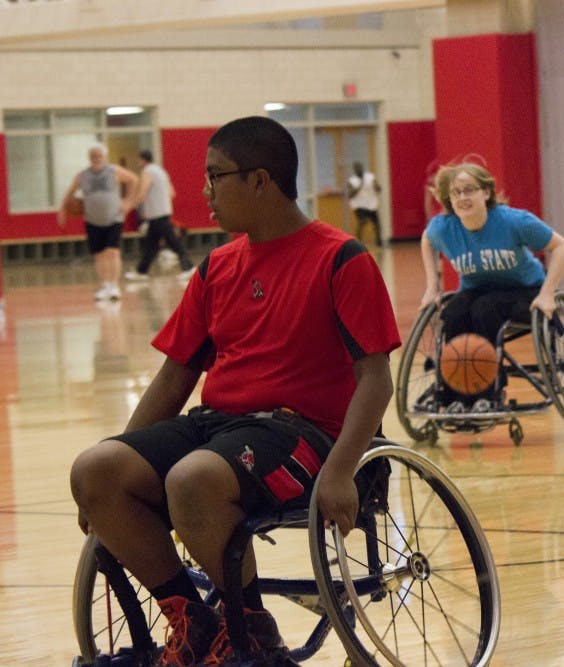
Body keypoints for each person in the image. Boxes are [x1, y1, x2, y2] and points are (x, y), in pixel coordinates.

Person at [70, 116, 400, 667]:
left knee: (193, 478)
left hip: (306, 435)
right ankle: (196, 624)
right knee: (95, 468)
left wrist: (341, 470)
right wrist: (114, 478)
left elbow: (376, 378)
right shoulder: (217, 267)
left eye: (215, 176)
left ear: (260, 181)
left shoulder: (341, 258)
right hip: (219, 425)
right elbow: (175, 376)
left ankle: (251, 632)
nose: (204, 191)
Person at [419, 162, 564, 412]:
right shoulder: (444, 227)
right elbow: (427, 241)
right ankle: (456, 393)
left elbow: (562, 246)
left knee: (483, 309)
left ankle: (488, 392)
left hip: (524, 290)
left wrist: (547, 294)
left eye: (469, 190)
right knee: (455, 311)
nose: (462, 197)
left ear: (486, 193)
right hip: (478, 289)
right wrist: (432, 287)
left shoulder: (514, 221)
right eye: (456, 192)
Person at [58, 143, 139, 301]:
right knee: (100, 254)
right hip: (92, 219)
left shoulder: (113, 170)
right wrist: (62, 210)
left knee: (113, 251)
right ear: (89, 158)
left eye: (99, 155)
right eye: (93, 156)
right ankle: (105, 286)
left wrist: (128, 201)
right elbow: (70, 192)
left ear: (104, 157)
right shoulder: (82, 175)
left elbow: (133, 179)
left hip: (114, 218)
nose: (96, 158)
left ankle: (114, 286)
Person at [124, 150, 197, 281]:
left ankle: (189, 267)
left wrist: (130, 206)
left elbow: (142, 192)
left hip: (157, 214)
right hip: (162, 212)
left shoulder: (148, 172)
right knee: (151, 245)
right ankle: (141, 272)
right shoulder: (161, 172)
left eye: (139, 160)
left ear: (142, 160)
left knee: (173, 242)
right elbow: (172, 193)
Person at [347, 161, 382, 247]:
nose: (359, 170)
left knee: (377, 223)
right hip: (359, 205)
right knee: (362, 222)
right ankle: (358, 242)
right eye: (357, 168)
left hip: (371, 205)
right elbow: (350, 194)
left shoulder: (370, 177)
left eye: (360, 168)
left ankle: (379, 241)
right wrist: (360, 186)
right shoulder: (351, 181)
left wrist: (376, 186)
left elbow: (378, 188)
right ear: (355, 170)